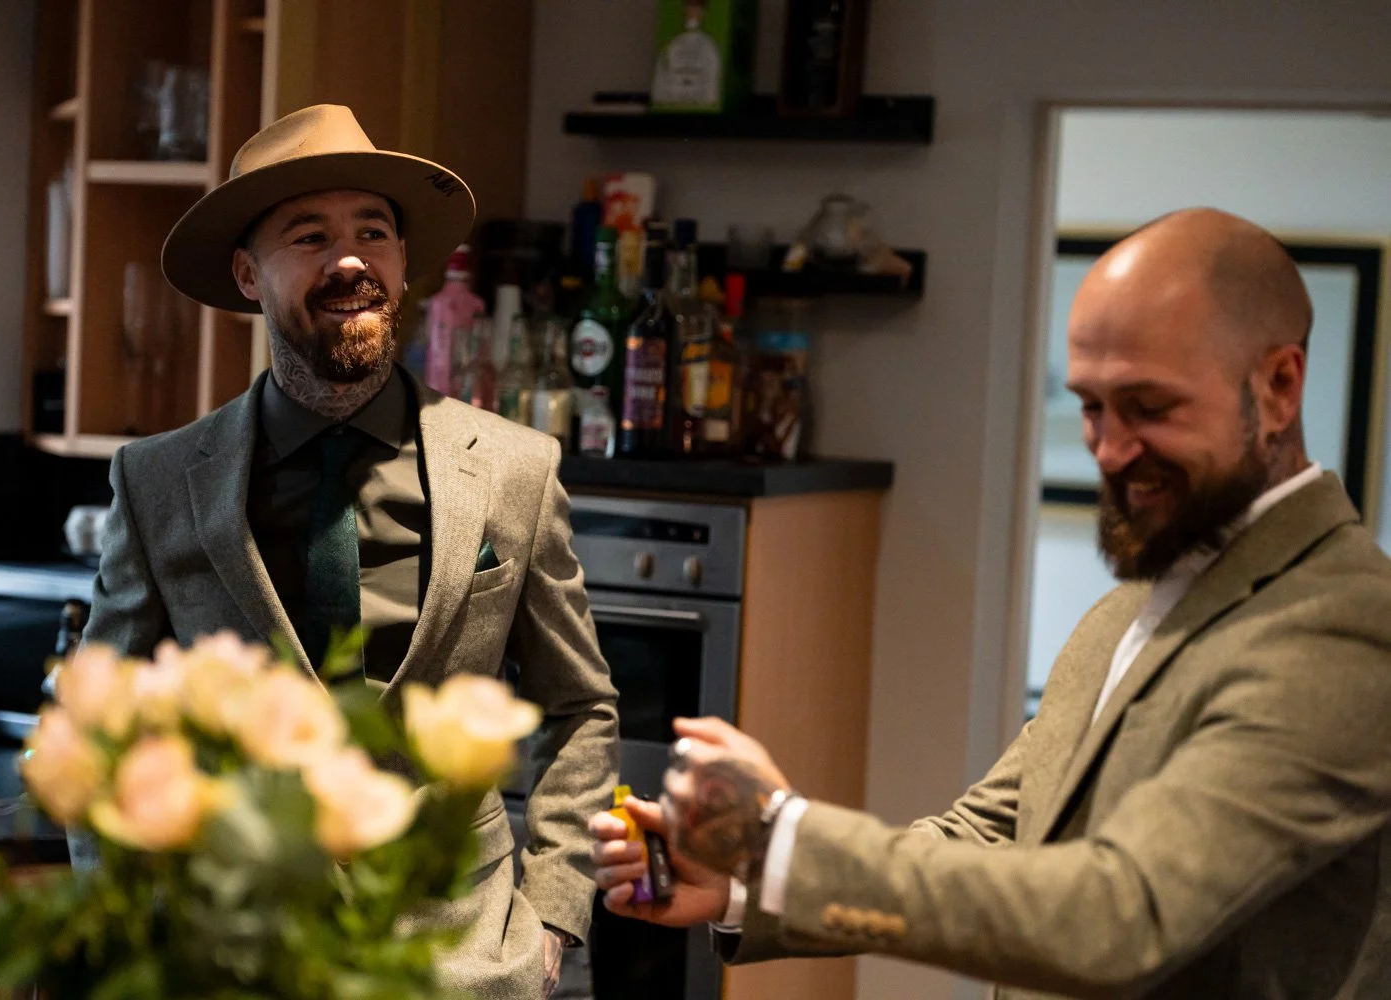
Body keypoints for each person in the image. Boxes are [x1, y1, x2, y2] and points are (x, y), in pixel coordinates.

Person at [590, 208, 1391, 998]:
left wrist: (782, 839)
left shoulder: (1343, 624)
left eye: (1150, 407)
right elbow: (993, 834)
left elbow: (1127, 915)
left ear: (1280, 386)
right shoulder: (1140, 603)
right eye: (1090, 407)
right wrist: (741, 887)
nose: (1110, 450)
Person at [84, 104, 619, 1000]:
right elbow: (103, 725)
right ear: (249, 274)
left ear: (404, 264)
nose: (350, 260)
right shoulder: (158, 480)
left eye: (374, 232)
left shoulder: (517, 472)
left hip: (466, 956)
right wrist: (123, 921)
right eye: (310, 236)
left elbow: (582, 707)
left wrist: (555, 917)